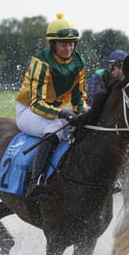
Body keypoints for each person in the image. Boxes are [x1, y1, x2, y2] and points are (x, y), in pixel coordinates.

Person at [15, 13, 88, 199]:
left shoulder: (79, 62)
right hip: (29, 112)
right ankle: (36, 181)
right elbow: (37, 103)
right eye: (64, 44)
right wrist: (62, 112)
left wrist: (84, 112)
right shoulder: (41, 62)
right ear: (53, 44)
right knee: (55, 127)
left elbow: (79, 98)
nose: (68, 48)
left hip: (57, 111)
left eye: (71, 44)